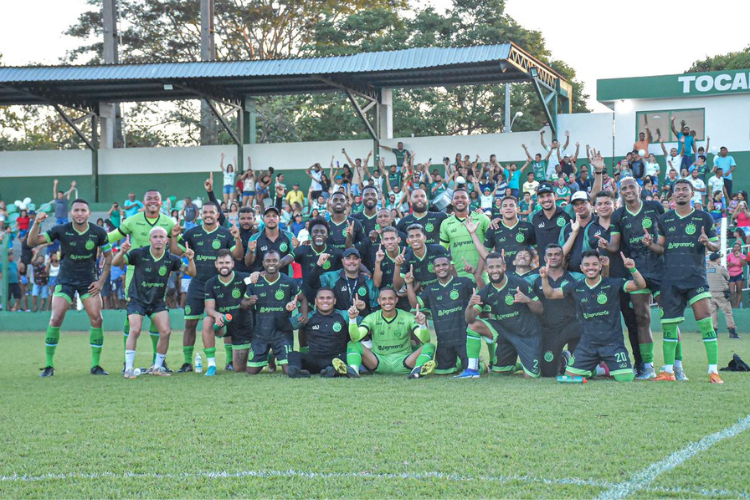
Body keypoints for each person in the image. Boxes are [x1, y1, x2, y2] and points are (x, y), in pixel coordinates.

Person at [642, 179, 723, 383]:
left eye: (684, 190)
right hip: (670, 279)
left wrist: (708, 244)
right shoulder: (665, 219)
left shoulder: (703, 217)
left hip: (695, 278)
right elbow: (662, 248)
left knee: (706, 322)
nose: (681, 193)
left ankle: (713, 372)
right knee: (669, 326)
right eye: (677, 190)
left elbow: (716, 244)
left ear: (692, 192)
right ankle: (668, 371)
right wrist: (651, 245)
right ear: (672, 195)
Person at [27, 202, 112, 377]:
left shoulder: (98, 232)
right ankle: (49, 365)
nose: (79, 213)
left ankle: (95, 365)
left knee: (97, 319)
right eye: (76, 210)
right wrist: (36, 223)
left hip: (88, 281)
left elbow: (109, 257)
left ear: (89, 213)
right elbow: (32, 241)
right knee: (56, 318)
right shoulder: (61, 230)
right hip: (65, 280)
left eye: (83, 210)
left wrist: (101, 282)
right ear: (71, 213)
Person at [599, 177, 667, 380]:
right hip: (636, 270)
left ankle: (675, 366)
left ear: (639, 188)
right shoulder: (618, 214)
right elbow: (614, 245)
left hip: (660, 268)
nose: (628, 190)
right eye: (624, 188)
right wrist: (605, 245)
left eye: (631, 187)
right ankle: (648, 366)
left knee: (669, 318)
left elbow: (666, 236)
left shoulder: (655, 206)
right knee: (642, 318)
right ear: (620, 192)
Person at [540, 250, 645, 382]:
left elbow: (640, 284)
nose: (591, 267)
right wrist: (544, 278)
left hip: (612, 344)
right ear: (581, 268)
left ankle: (600, 366)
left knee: (626, 378)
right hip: (587, 345)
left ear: (600, 266)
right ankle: (593, 368)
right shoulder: (576, 287)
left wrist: (633, 269)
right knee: (570, 377)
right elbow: (550, 294)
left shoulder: (612, 284)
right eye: (587, 264)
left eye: (595, 264)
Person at [170, 202, 244, 372]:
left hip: (221, 286)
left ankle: (229, 361)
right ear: (201, 215)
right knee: (190, 324)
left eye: (212, 212)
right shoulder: (192, 233)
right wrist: (174, 237)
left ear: (218, 214)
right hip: (197, 285)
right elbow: (176, 251)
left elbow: (238, 255)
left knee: (227, 323)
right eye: (205, 212)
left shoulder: (226, 234)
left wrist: (238, 238)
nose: (208, 214)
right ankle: (187, 362)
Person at [108, 190, 176, 371]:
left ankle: (158, 363)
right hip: (134, 273)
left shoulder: (169, 222)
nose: (152, 202)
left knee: (157, 317)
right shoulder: (132, 220)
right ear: (143, 202)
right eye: (149, 199)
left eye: (156, 199)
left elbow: (178, 244)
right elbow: (111, 237)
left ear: (161, 203)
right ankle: (127, 363)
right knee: (131, 319)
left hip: (158, 275)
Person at [114, 227, 194, 379]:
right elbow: (116, 262)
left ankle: (157, 367)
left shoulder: (171, 259)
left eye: (161, 237)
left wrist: (190, 259)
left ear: (166, 240)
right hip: (137, 299)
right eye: (155, 236)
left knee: (166, 331)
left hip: (157, 301)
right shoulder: (139, 254)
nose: (158, 239)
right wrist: (122, 252)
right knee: (135, 330)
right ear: (150, 240)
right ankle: (129, 368)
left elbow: (191, 272)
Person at [456, 252, 543, 379]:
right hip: (505, 334)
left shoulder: (520, 284)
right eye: (491, 267)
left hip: (528, 335)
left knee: (530, 377)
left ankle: (524, 365)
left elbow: (540, 309)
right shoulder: (486, 291)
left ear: (504, 267)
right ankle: (472, 369)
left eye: (498, 266)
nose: (495, 270)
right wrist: (469, 306)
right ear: (486, 269)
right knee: (474, 326)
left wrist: (527, 300)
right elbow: (469, 319)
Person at [336, 288, 435, 379]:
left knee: (429, 346)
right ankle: (353, 371)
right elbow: (355, 338)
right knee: (353, 344)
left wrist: (422, 325)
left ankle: (416, 372)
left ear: (396, 300)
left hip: (404, 362)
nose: (387, 302)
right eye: (384, 299)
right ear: (379, 301)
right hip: (379, 362)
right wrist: (352, 320)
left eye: (390, 298)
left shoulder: (407, 317)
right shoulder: (372, 318)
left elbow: (425, 340)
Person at [406, 255, 475, 375]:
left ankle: (480, 365)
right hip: (444, 342)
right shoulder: (430, 289)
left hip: (463, 340)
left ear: (450, 266)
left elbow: (481, 293)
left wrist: (475, 273)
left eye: (444, 265)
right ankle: (457, 364)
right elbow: (415, 305)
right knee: (442, 372)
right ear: (434, 269)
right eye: (438, 266)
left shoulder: (464, 282)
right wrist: (409, 284)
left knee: (472, 368)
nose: (441, 268)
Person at [242, 250, 308, 375]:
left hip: (282, 333)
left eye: (274, 261)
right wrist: (249, 302)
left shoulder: (289, 282)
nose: (271, 263)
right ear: (263, 263)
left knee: (288, 371)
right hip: (261, 333)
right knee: (251, 371)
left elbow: (303, 299)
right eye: (268, 261)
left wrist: (303, 314)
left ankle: (274, 353)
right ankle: (269, 356)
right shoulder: (255, 282)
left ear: (279, 263)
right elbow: (243, 303)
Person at [529, 245, 583, 377]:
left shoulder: (576, 277)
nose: (553, 257)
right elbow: (513, 284)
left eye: (557, 254)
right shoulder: (533, 278)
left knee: (584, 371)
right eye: (550, 254)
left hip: (573, 325)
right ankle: (563, 359)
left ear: (563, 257)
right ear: (544, 258)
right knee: (548, 373)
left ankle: (589, 361)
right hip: (549, 329)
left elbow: (598, 284)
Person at [201, 249, 252, 375]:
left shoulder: (244, 278)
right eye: (221, 262)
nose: (224, 265)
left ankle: (260, 354)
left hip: (242, 326)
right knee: (207, 321)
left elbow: (259, 279)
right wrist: (217, 315)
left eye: (227, 262)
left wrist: (256, 273)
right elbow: (209, 309)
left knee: (239, 369)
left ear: (232, 264)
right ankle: (211, 365)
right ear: (216, 264)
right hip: (224, 324)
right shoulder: (210, 283)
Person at [287, 287, 350, 378]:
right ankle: (297, 372)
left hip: (336, 358)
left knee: (349, 355)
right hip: (314, 359)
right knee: (293, 354)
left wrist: (359, 312)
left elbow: (364, 325)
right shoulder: (307, 316)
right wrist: (287, 310)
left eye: (329, 298)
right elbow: (285, 326)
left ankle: (333, 371)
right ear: (316, 301)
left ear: (334, 301)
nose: (325, 301)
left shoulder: (345, 315)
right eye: (322, 298)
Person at [310, 248, 378, 318]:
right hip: (335, 324)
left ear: (359, 261)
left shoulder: (368, 282)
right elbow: (312, 283)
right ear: (343, 261)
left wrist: (363, 309)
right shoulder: (331, 277)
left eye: (355, 258)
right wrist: (318, 265)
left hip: (360, 325)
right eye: (348, 258)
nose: (351, 261)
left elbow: (375, 310)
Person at [440, 189, 490, 281]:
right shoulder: (446, 223)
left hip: (483, 276)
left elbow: (491, 247)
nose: (460, 200)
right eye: (456, 198)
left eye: (463, 197)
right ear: (452, 202)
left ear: (469, 201)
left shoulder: (482, 218)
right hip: (458, 276)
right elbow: (443, 251)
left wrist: (479, 273)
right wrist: (452, 271)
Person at [245, 206, 295, 275]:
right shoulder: (254, 238)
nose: (271, 218)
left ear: (279, 219)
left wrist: (275, 266)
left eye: (274, 216)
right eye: (268, 216)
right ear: (263, 220)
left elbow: (295, 254)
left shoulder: (289, 236)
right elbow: (248, 263)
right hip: (261, 280)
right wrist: (250, 252)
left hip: (283, 280)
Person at [560, 191, 595, 273]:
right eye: (576, 204)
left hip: (597, 276)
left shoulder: (599, 223)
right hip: (573, 276)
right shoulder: (567, 228)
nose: (579, 206)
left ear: (590, 203)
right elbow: (561, 254)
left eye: (583, 203)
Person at [532, 185, 571, 256]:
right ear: (538, 200)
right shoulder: (535, 218)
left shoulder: (566, 214)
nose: (546, 199)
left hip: (564, 264)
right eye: (542, 197)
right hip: (543, 265)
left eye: (549, 195)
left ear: (555, 196)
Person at [706, 253, 739, 340]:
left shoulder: (706, 269)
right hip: (721, 294)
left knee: (713, 313)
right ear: (717, 259)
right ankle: (732, 332)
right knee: (727, 312)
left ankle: (714, 332)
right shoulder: (720, 268)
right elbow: (728, 277)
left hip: (710, 293)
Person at [727, 242, 746, 309]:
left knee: (739, 291)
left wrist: (739, 257)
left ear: (740, 248)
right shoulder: (729, 255)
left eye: (737, 247)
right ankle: (733, 306)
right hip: (731, 275)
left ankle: (737, 307)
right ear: (733, 248)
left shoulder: (742, 255)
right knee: (732, 292)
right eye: (734, 247)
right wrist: (730, 264)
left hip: (739, 274)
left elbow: (743, 264)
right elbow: (727, 264)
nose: (736, 248)